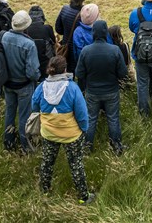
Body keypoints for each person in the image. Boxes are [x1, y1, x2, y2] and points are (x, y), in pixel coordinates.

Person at [33, 56, 94, 205]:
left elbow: (34, 106)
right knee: (76, 164)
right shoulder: (72, 88)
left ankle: (44, 191)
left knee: (47, 162)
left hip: (49, 132)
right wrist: (84, 129)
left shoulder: (41, 87)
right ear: (65, 70)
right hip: (71, 134)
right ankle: (83, 197)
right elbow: (81, 113)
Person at [74, 19, 127, 154]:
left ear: (93, 33)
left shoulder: (86, 51)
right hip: (111, 91)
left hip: (92, 92)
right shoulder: (115, 50)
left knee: (91, 119)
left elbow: (79, 73)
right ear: (105, 33)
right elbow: (123, 73)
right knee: (113, 118)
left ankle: (87, 147)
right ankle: (116, 146)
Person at [0, 11, 40, 152]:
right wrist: (38, 77)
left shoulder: (3, 37)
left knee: (9, 113)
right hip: (24, 85)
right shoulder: (29, 44)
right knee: (24, 117)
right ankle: (26, 147)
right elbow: (32, 72)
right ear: (26, 26)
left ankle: (8, 143)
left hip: (7, 82)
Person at [55, 0, 86, 72]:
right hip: (79, 47)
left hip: (66, 46)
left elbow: (58, 29)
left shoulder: (64, 9)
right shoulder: (84, 14)